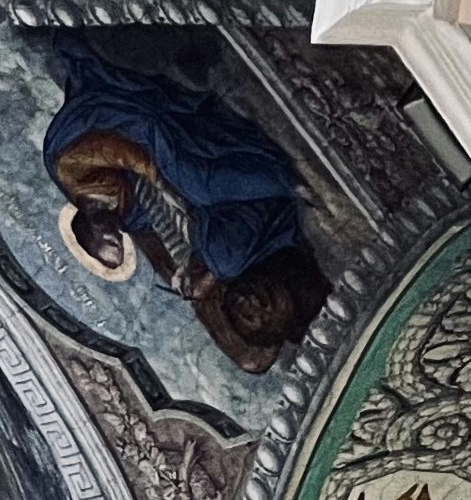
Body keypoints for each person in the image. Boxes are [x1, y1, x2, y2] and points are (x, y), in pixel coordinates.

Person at [40, 38, 329, 375]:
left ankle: (274, 181)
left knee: (194, 185)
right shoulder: (232, 256)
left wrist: (157, 175)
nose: (251, 306)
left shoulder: (70, 166)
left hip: (129, 143)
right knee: (195, 187)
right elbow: (253, 357)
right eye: (262, 313)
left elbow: (139, 146)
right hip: (217, 185)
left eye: (108, 237)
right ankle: (278, 181)